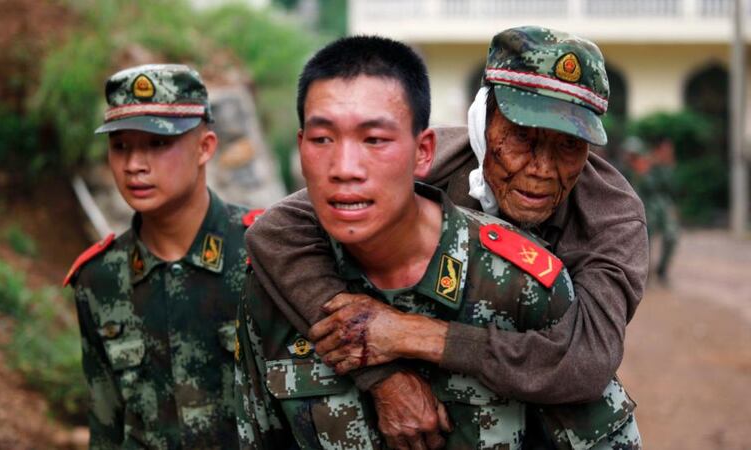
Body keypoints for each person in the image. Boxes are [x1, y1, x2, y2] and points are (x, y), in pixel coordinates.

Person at [245, 26, 647, 448]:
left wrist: (411, 334)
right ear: (483, 117)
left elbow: (585, 362)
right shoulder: (430, 159)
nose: (543, 169)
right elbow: (277, 230)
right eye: (523, 138)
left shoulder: (612, 217)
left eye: (569, 145)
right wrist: (379, 374)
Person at [64, 64, 257, 449]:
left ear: (205, 147)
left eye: (157, 143)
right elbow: (106, 422)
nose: (134, 165)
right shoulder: (99, 278)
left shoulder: (261, 256)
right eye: (121, 146)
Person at [624, 136, 679, 284]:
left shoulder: (662, 166)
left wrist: (666, 166)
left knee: (671, 236)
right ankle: (643, 273)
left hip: (661, 204)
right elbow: (642, 187)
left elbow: (671, 187)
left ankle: (661, 271)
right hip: (643, 204)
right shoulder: (643, 164)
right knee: (643, 238)